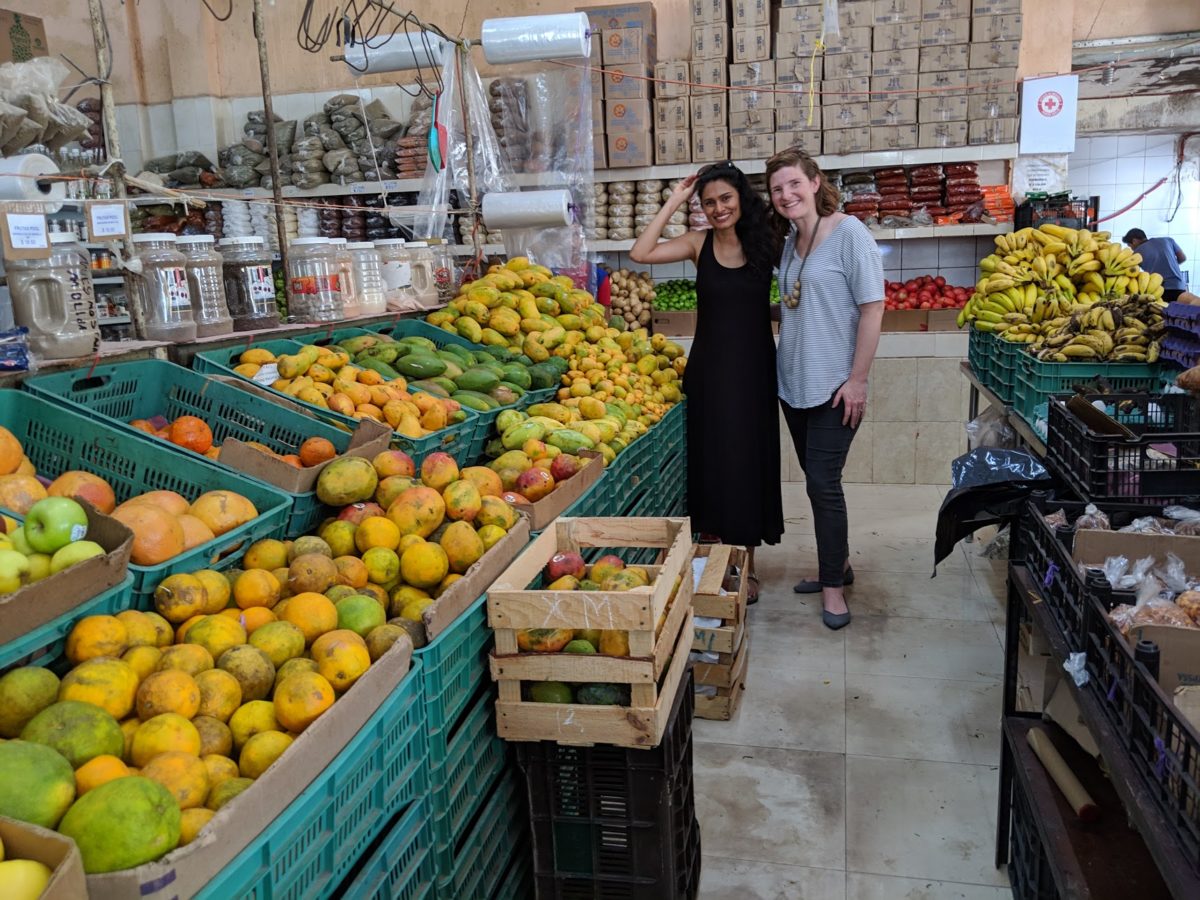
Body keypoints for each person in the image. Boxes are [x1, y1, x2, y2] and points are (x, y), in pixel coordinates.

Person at [629, 162, 784, 601]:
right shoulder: (698, 243)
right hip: (710, 372)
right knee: (712, 464)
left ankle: (747, 565)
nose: (718, 209)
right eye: (709, 202)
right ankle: (717, 562)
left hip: (754, 370)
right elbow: (641, 253)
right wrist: (675, 200)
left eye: (725, 199)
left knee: (749, 464)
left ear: (741, 199)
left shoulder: (766, 241)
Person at [766, 147, 884, 630]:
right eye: (777, 189)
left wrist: (857, 380)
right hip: (793, 385)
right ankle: (839, 565)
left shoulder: (849, 232)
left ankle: (833, 589)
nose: (786, 194)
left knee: (822, 484)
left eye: (794, 183)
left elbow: (874, 308)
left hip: (835, 388)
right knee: (818, 489)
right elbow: (795, 305)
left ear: (815, 182)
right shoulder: (790, 241)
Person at [1123, 228, 1198, 304]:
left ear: (1134, 241)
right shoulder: (1168, 240)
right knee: (1183, 312)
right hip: (1179, 286)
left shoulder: (1136, 254)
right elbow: (1182, 258)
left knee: (1163, 313)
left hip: (1159, 289)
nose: (1131, 249)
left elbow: (1132, 272)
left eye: (1130, 246)